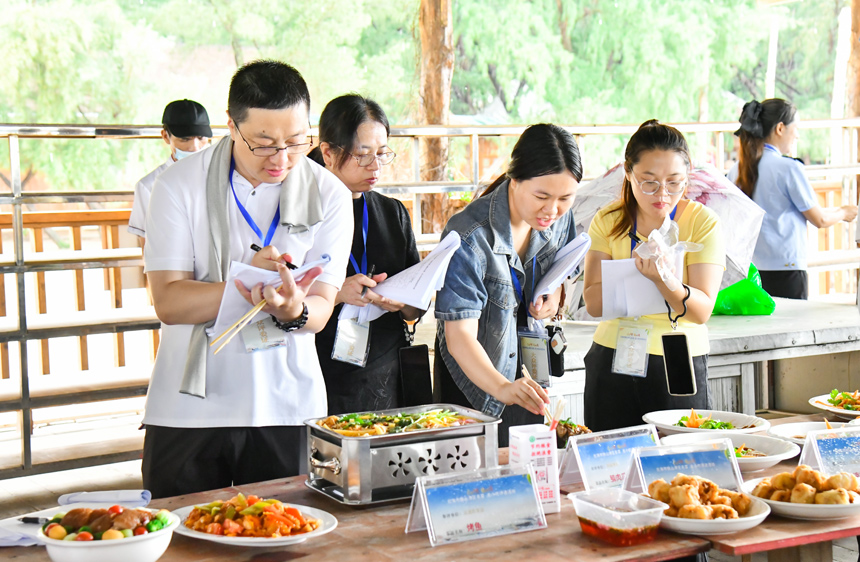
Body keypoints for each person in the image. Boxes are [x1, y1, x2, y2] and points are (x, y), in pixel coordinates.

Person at [140, 60, 353, 499]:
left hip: (286, 404)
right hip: (188, 406)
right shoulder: (179, 185)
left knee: (284, 539)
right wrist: (251, 283)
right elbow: (170, 302)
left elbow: (321, 308)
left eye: (296, 142)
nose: (282, 158)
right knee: (183, 541)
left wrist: (293, 309)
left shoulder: (329, 192)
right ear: (231, 126)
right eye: (264, 143)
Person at [434, 124, 581, 447]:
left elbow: (565, 267)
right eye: (541, 196)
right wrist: (502, 387)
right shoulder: (470, 236)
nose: (552, 211)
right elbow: (459, 338)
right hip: (477, 377)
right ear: (514, 179)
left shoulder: (558, 219)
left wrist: (554, 296)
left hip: (528, 371)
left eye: (565, 199)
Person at [582, 120, 725, 433]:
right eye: (649, 182)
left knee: (679, 461)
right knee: (609, 461)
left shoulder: (703, 223)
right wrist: (636, 273)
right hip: (612, 353)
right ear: (628, 172)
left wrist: (665, 280)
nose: (663, 193)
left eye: (675, 182)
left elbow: (701, 311)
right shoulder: (609, 219)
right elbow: (592, 302)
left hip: (676, 358)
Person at [308, 94, 423, 414]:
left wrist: (401, 301)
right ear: (328, 152)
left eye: (382, 153)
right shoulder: (301, 214)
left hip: (386, 374)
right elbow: (278, 300)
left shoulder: (392, 212)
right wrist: (335, 294)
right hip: (321, 370)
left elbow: (415, 310)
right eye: (363, 155)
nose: (375, 166)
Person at [729, 98, 857, 300]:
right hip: (786, 271)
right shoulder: (789, 168)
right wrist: (844, 212)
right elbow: (819, 219)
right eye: (795, 128)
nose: (797, 135)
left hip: (749, 272)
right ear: (780, 128)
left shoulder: (736, 170)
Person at [128, 99, 213, 245]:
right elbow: (147, 245)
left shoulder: (222, 177)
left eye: (201, 138)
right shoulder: (148, 186)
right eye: (185, 139)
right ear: (166, 136)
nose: (195, 147)